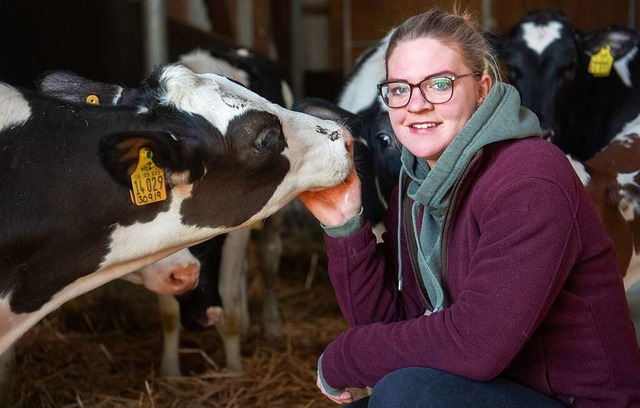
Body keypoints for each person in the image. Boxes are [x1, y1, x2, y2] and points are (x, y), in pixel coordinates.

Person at [297, 8, 640, 408]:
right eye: (399, 89)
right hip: (493, 389)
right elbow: (390, 324)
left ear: (483, 87)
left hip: (575, 400)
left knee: (406, 395)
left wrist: (347, 356)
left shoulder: (532, 177)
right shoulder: (414, 189)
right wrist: (345, 226)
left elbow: (476, 344)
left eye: (439, 84)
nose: (417, 105)